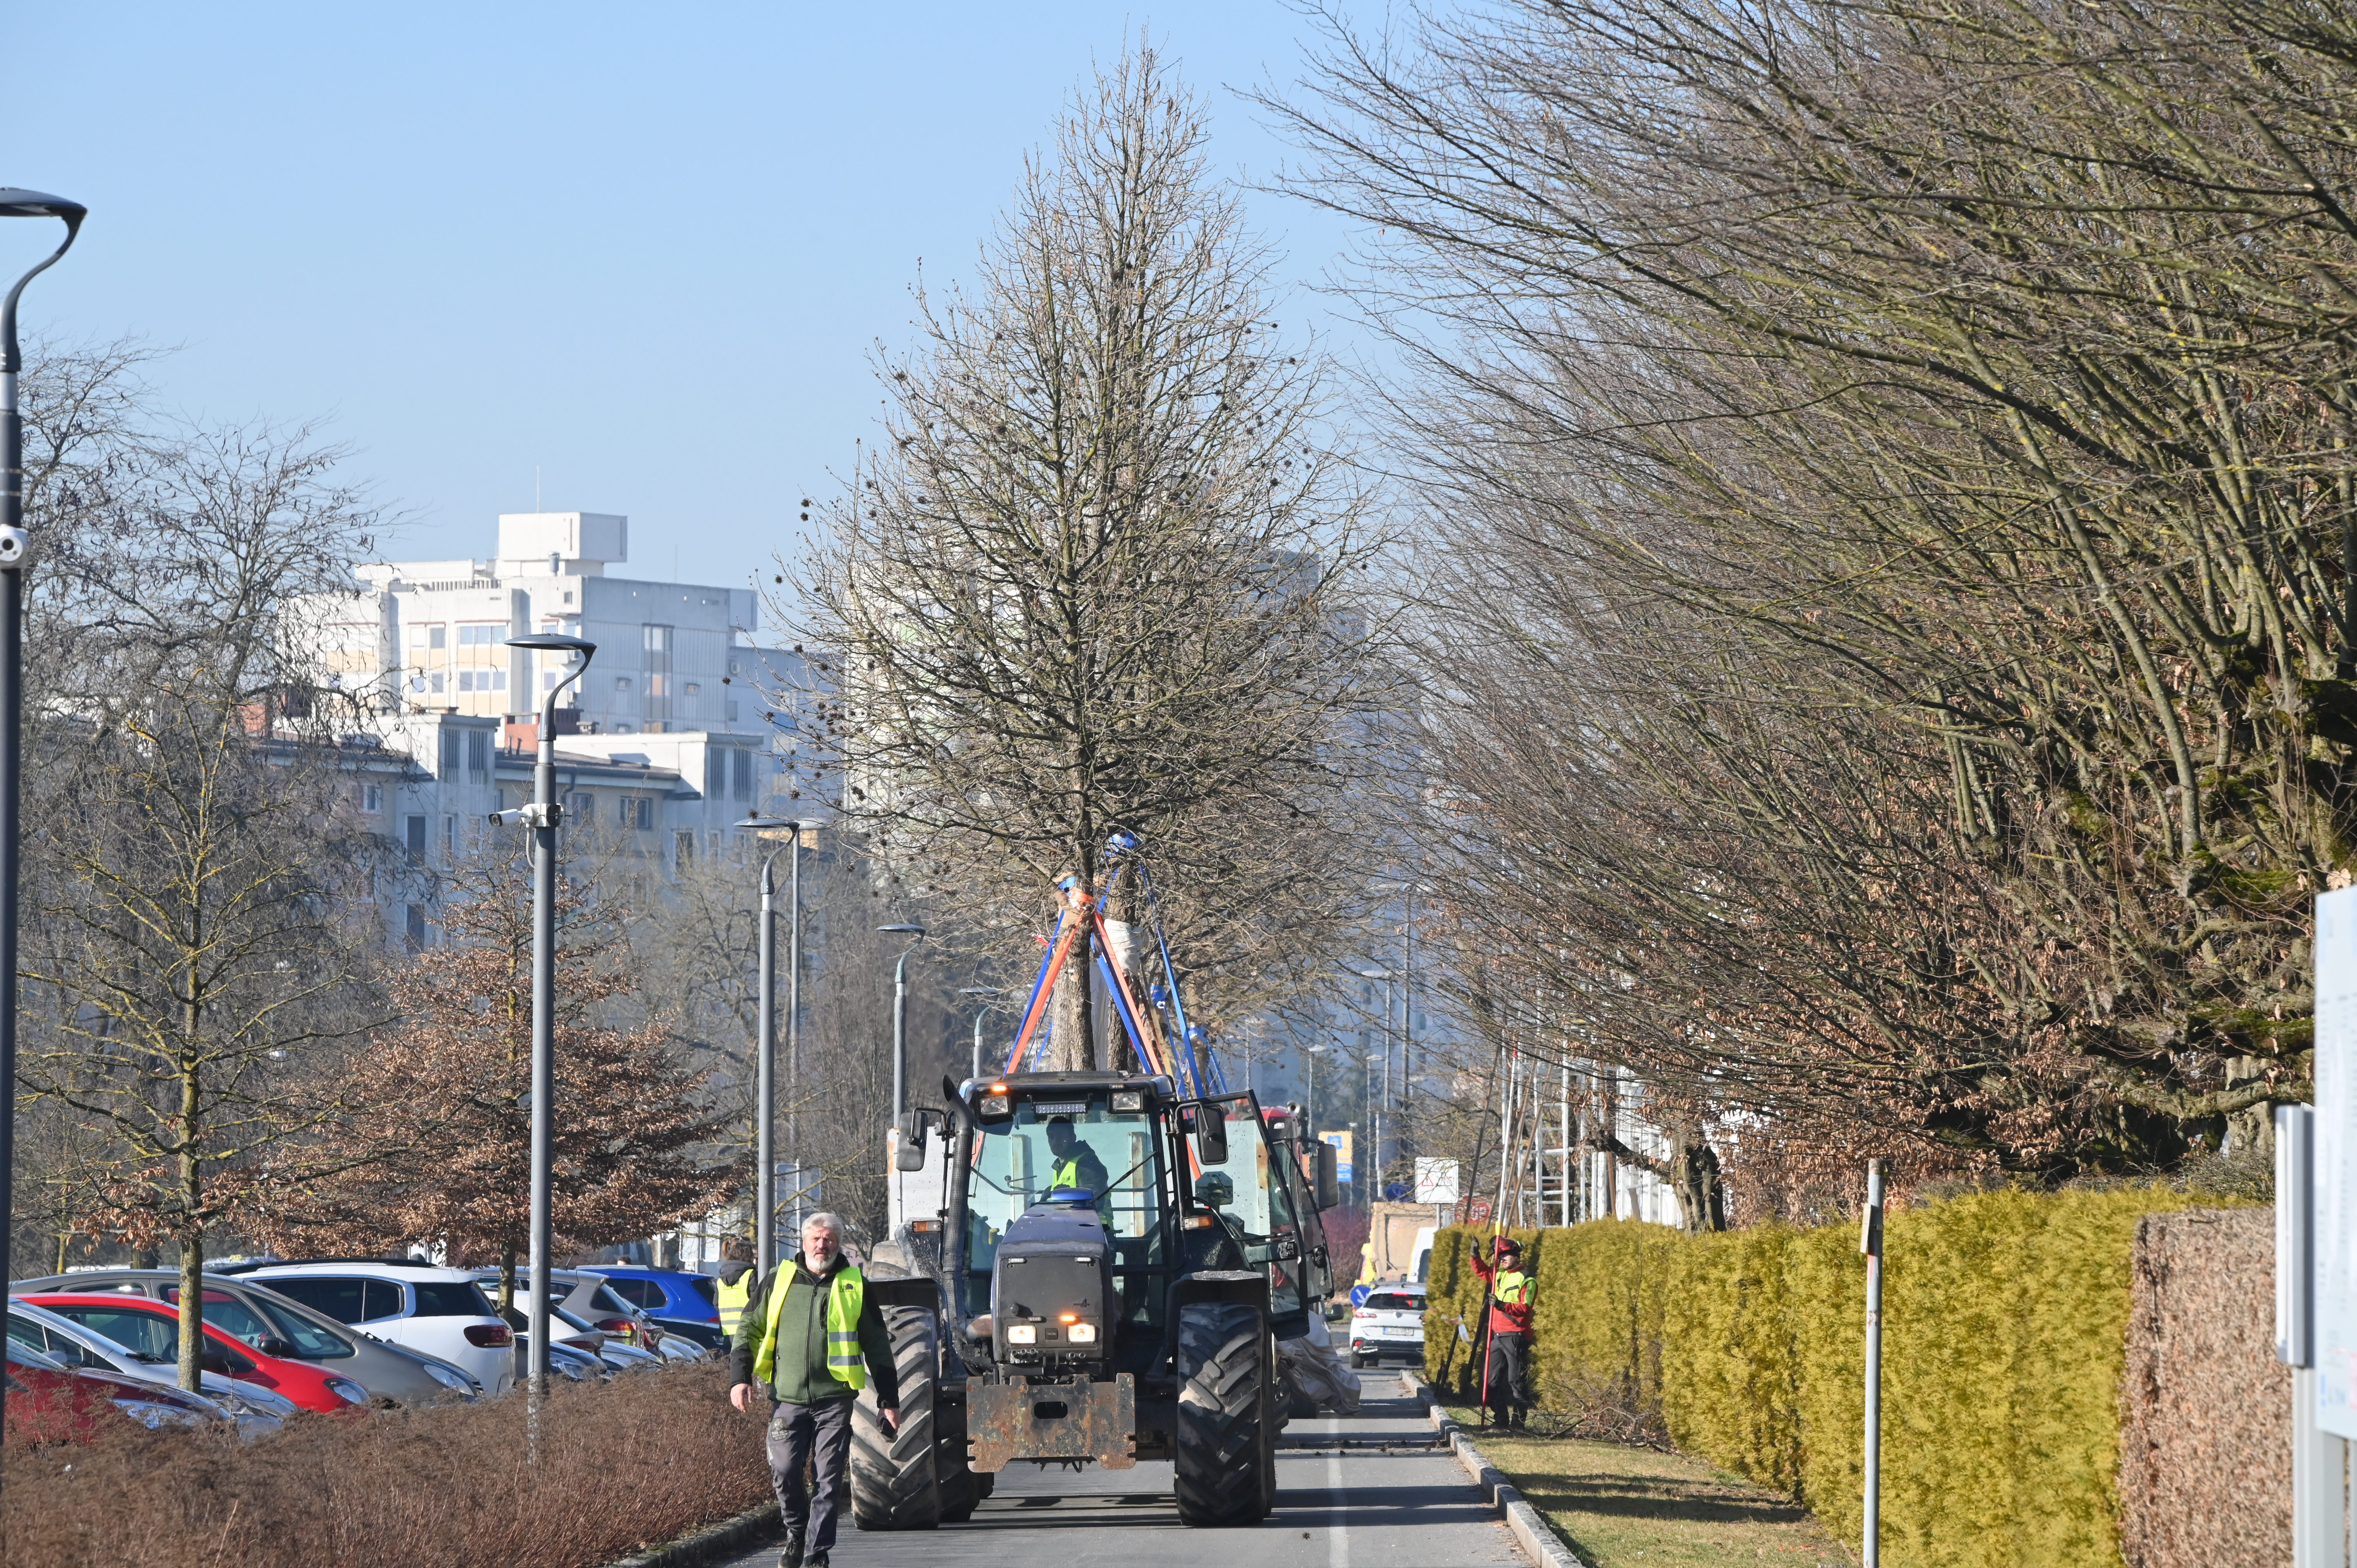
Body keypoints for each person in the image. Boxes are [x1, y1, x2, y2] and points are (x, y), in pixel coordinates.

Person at [729, 1213, 899, 1568]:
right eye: (816, 1239)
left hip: (834, 1399)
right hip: (787, 1399)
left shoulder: (856, 1284)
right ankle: (796, 1533)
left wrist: (889, 1400)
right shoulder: (779, 1280)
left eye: (829, 1239)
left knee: (828, 1478)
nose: (822, 1246)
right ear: (804, 1243)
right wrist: (740, 1377)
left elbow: (878, 1346)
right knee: (787, 1470)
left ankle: (816, 1553)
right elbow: (748, 1328)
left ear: (838, 1243)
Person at [1468, 1234, 1535, 1430]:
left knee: (1517, 1381)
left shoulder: (1528, 1280)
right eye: (1499, 1256)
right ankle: (1501, 1420)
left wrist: (1502, 1305)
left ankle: (1518, 1423)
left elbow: (1525, 1308)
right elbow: (1481, 1271)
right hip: (1498, 1335)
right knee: (1490, 1383)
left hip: (1516, 1335)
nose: (1501, 1259)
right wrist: (1475, 1255)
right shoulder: (1499, 1273)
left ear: (1516, 1255)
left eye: (1505, 1255)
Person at [1043, 1116, 1109, 1197]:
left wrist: (1068, 1193)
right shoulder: (1058, 1167)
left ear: (1073, 1138)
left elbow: (1095, 1199)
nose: (1055, 1141)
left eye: (1061, 1136)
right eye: (1051, 1137)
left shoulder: (1087, 1163)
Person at [714, 1236, 756, 1348]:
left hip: (727, 1333)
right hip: (747, 1331)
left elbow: (716, 1304)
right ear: (748, 1256)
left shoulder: (721, 1280)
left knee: (729, 1364)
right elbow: (758, 1303)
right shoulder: (751, 1275)